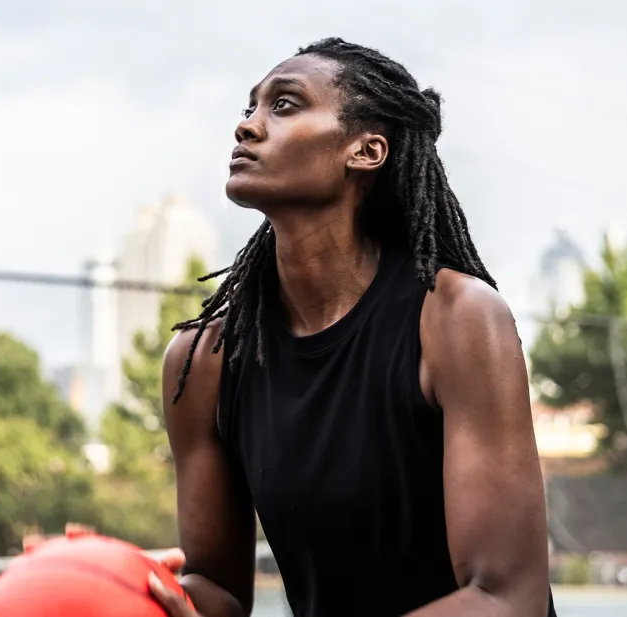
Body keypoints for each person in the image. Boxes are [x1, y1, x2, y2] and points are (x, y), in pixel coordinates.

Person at [144, 38, 557, 616]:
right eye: (249, 109)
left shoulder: (456, 320)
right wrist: (109, 580)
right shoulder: (205, 359)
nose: (247, 128)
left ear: (365, 151)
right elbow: (217, 590)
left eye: (283, 106)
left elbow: (507, 600)